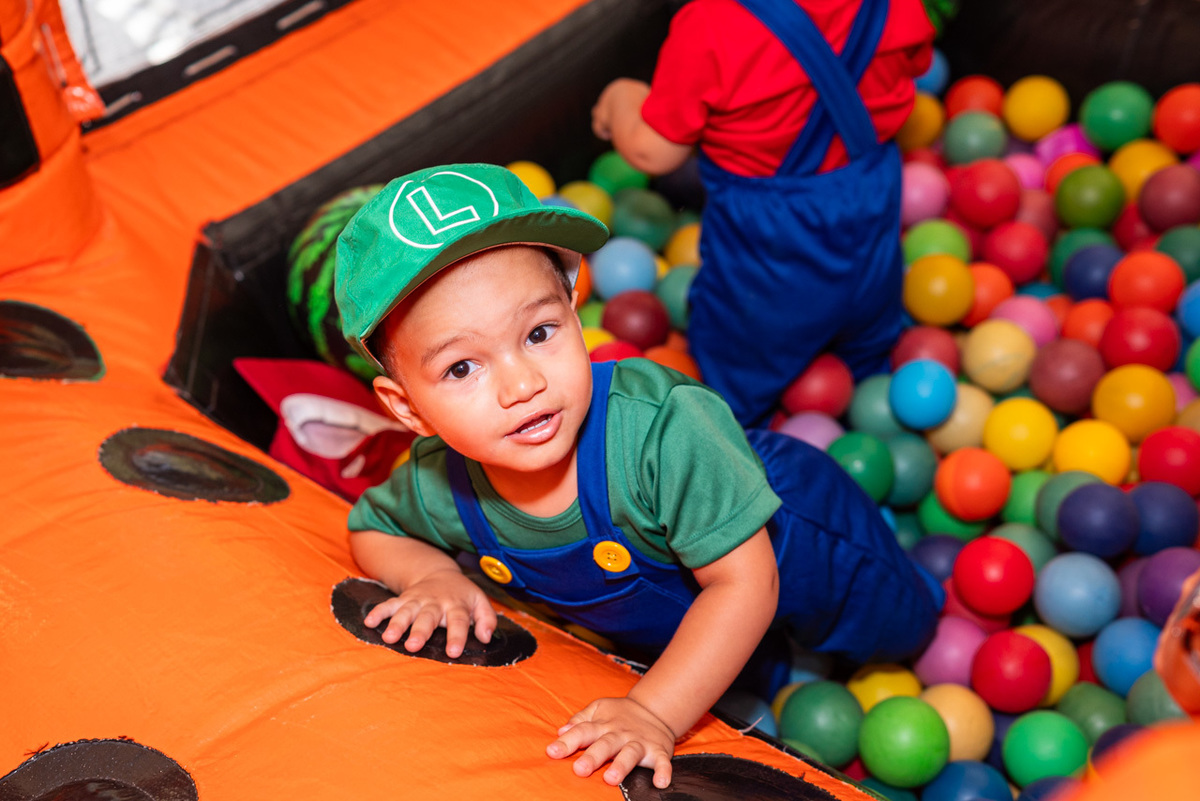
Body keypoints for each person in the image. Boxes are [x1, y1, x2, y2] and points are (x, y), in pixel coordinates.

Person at [334, 163, 942, 789]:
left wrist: (653, 712)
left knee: (899, 625)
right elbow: (372, 525)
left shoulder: (665, 429)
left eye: (539, 333)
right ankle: (779, 670)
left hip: (799, 539)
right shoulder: (440, 484)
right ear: (407, 408)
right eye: (463, 368)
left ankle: (924, 607)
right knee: (753, 675)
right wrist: (432, 576)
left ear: (575, 315)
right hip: (675, 618)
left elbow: (745, 585)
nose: (523, 385)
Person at [591, 0, 935, 427]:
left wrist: (621, 100)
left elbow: (652, 150)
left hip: (769, 247)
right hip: (871, 210)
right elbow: (914, 64)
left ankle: (735, 447)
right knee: (868, 347)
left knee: (733, 376)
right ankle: (869, 398)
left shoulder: (711, 23)